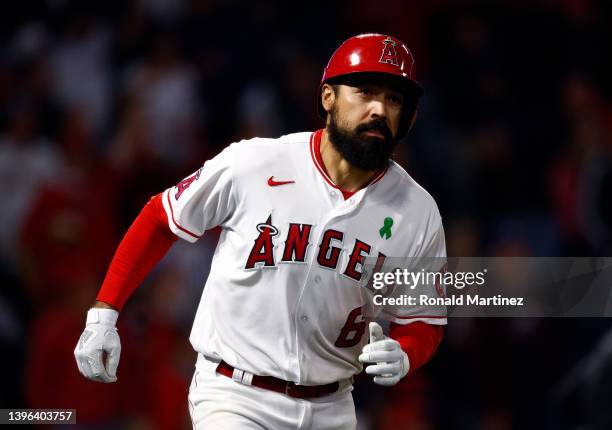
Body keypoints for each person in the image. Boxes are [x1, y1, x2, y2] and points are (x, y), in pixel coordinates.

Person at [75, 33, 447, 429]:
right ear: (328, 98)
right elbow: (161, 217)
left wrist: (406, 353)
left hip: (333, 406)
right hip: (236, 396)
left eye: (394, 99)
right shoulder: (255, 162)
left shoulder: (418, 212)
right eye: (366, 91)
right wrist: (104, 313)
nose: (379, 109)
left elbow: (423, 317)